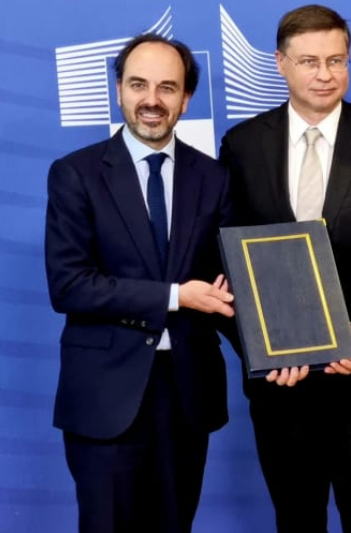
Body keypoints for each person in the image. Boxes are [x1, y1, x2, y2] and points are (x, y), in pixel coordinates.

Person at [219, 4, 351, 533]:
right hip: (281, 386)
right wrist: (259, 352)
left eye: (337, 60)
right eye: (309, 61)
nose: (325, 74)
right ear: (281, 63)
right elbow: (228, 262)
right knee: (296, 520)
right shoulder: (242, 146)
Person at [45, 34, 235, 533]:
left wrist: (286, 350)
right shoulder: (75, 175)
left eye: (168, 88)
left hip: (186, 396)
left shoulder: (214, 178)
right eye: (139, 85)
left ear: (186, 99)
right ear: (119, 90)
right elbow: (70, 285)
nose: (152, 100)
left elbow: (232, 284)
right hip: (106, 396)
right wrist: (175, 296)